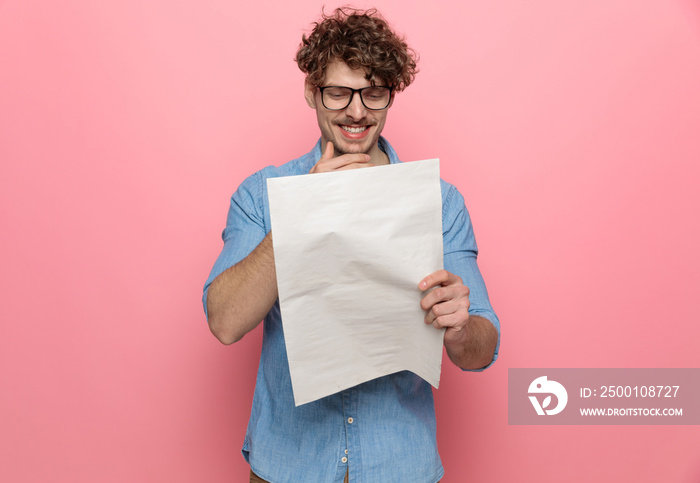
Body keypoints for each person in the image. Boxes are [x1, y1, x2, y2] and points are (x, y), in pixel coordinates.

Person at [203, 7, 500, 483]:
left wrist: (461, 327)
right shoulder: (262, 194)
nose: (357, 111)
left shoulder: (439, 202)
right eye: (339, 92)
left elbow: (481, 350)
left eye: (374, 93)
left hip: (400, 466)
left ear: (390, 96)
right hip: (288, 466)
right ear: (311, 92)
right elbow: (224, 322)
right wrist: (304, 211)